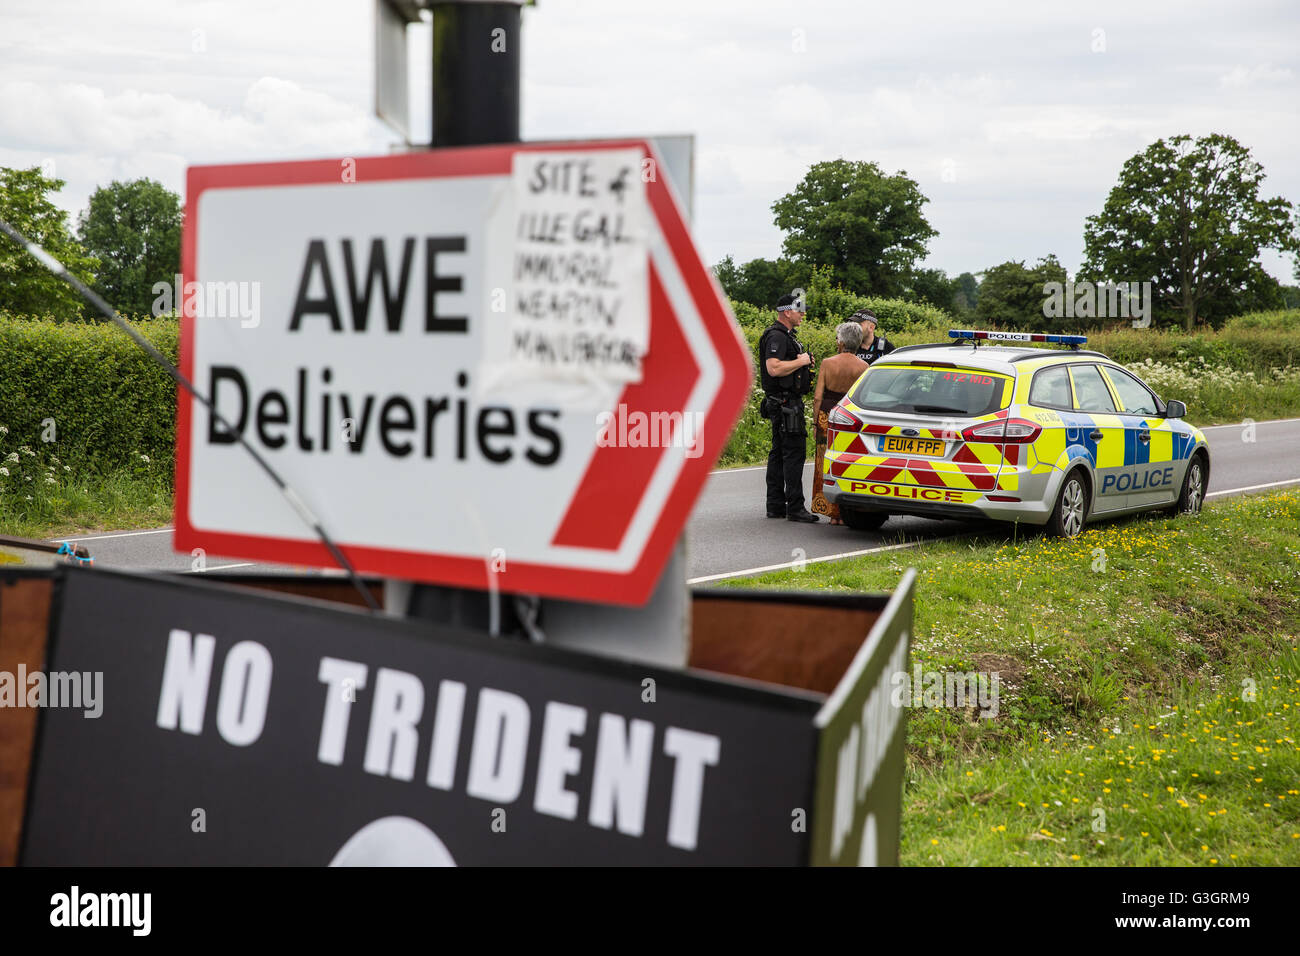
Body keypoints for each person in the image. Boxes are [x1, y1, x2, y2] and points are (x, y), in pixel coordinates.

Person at [759, 293, 819, 522]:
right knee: (793, 453)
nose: (803, 313)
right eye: (799, 310)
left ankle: (775, 505)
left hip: (782, 402)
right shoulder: (777, 336)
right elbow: (774, 368)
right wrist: (801, 362)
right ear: (787, 311)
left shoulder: (786, 336)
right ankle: (795, 507)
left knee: (779, 453)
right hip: (785, 404)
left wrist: (804, 362)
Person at [811, 323, 869, 524]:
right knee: (847, 462)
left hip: (827, 416)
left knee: (823, 462)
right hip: (848, 419)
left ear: (842, 342)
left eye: (837, 338)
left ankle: (829, 511)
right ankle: (845, 513)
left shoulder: (827, 363)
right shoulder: (864, 367)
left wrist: (814, 421)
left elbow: (818, 396)